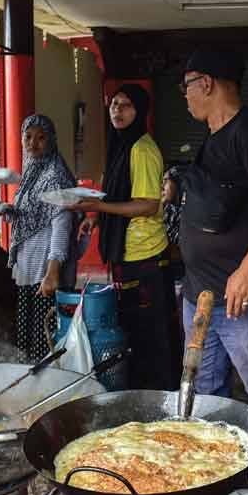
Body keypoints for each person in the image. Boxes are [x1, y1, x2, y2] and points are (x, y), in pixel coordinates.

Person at [165, 46, 248, 432]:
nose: (185, 96)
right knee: (205, 394)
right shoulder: (213, 136)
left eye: (187, 86)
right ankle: (213, 465)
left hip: (240, 298)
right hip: (201, 294)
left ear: (206, 83)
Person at [71, 85, 182, 390]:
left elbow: (148, 205)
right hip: (126, 253)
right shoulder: (119, 144)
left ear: (141, 110)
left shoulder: (142, 149)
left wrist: (99, 207)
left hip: (146, 256)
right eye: (114, 104)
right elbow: (113, 191)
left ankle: (162, 394)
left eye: (126, 105)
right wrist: (94, 218)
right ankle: (140, 391)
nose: (117, 110)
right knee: (133, 329)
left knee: (154, 335)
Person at [6, 114, 78, 361]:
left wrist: (53, 271)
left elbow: (61, 225)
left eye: (40, 138)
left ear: (51, 141)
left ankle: (49, 385)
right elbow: (33, 213)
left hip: (44, 273)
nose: (32, 143)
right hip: (28, 271)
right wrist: (10, 211)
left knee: (44, 345)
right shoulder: (32, 172)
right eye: (27, 137)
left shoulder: (55, 175)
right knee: (28, 343)